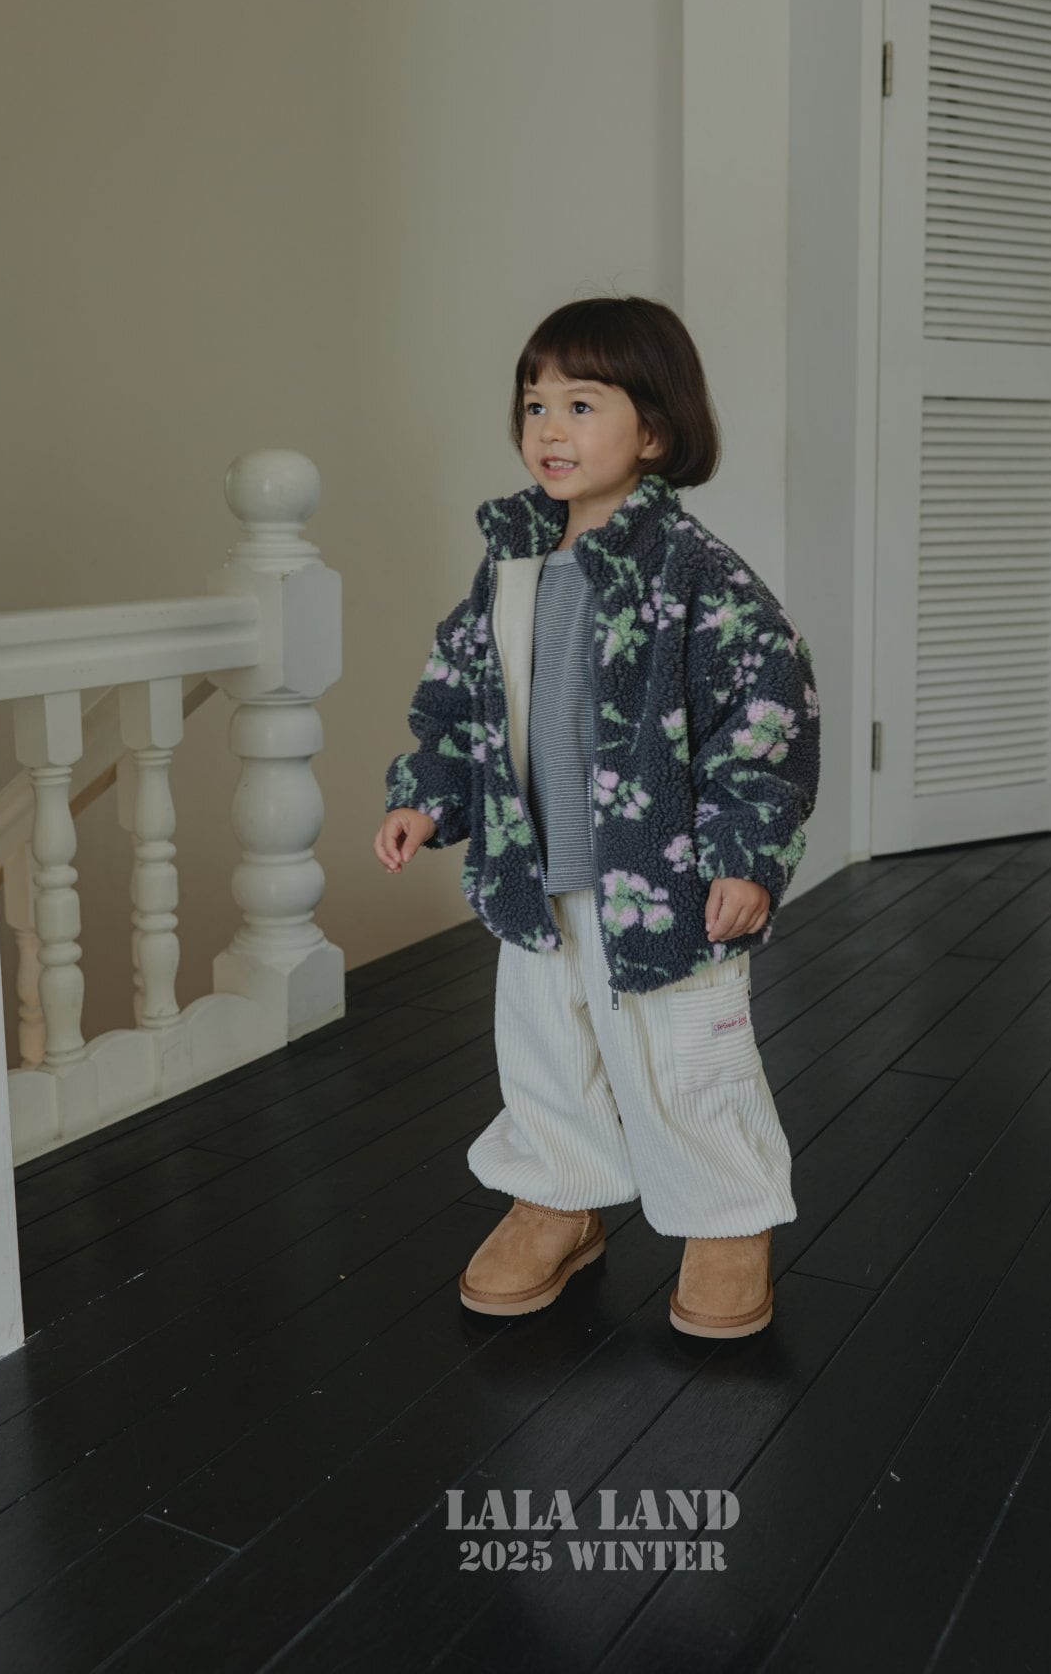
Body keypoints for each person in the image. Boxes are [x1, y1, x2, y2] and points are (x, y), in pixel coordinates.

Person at [375, 295, 820, 1339]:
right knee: (545, 1048)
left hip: (663, 882)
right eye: (535, 405)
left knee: (685, 1059)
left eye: (581, 405)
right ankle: (558, 1198)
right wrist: (425, 795)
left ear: (653, 431)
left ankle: (725, 1222)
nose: (550, 428)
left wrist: (745, 857)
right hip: (534, 872)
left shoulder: (696, 575)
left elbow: (764, 718)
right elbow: (458, 696)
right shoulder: (510, 564)